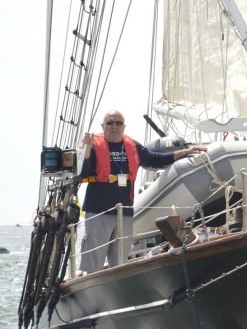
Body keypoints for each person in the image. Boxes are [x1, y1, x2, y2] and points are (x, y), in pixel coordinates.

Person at [79, 110, 207, 273]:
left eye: (118, 123)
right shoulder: (93, 145)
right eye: (110, 123)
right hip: (99, 212)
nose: (114, 126)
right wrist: (86, 150)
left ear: (124, 127)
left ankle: (119, 287)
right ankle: (91, 287)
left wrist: (186, 152)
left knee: (120, 264)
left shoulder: (132, 146)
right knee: (93, 263)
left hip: (124, 213)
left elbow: (155, 159)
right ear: (102, 126)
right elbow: (82, 174)